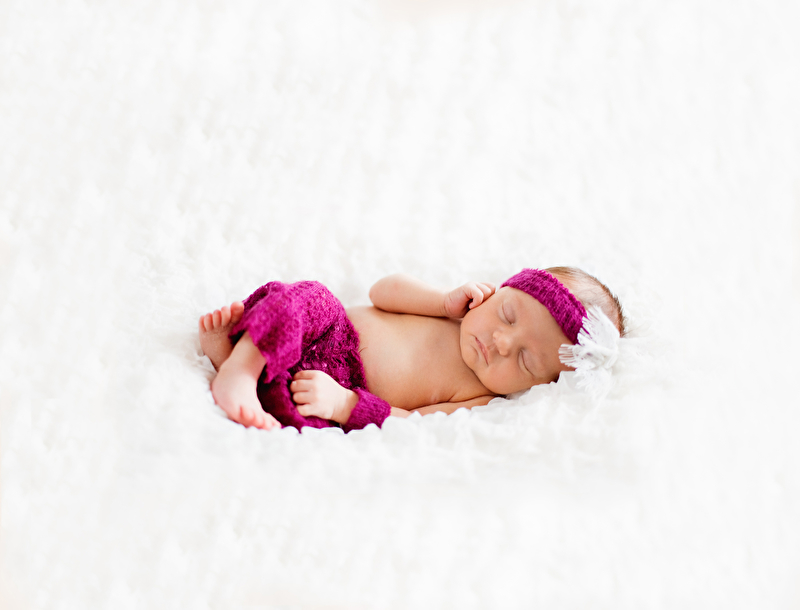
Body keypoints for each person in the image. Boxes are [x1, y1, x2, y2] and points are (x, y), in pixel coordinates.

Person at [199, 268, 626, 432]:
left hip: (336, 385)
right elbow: (380, 291)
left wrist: (345, 405)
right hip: (326, 328)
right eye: (508, 315)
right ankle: (242, 366)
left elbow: (414, 422)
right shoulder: (454, 312)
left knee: (305, 419)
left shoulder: (480, 397)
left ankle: (242, 367)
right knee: (312, 297)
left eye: (525, 360)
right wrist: (440, 301)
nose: (501, 342)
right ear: (498, 291)